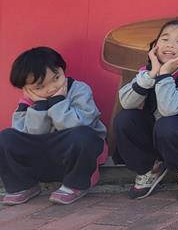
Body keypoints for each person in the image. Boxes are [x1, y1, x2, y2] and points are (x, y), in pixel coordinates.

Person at [112, 18, 178, 200]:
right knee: (125, 119)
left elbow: (168, 109)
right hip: (158, 134)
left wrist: (164, 75)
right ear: (155, 46)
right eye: (164, 39)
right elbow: (126, 103)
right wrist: (151, 75)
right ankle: (150, 168)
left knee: (167, 124)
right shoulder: (148, 71)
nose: (170, 44)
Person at [0, 47, 107, 206]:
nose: (51, 88)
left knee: (82, 134)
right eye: (39, 87)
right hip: (43, 157)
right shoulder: (26, 103)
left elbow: (78, 124)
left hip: (77, 153)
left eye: (56, 78)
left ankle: (75, 185)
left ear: (62, 69)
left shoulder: (79, 90)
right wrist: (40, 106)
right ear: (26, 89)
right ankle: (24, 185)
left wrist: (58, 102)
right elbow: (29, 135)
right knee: (5, 137)